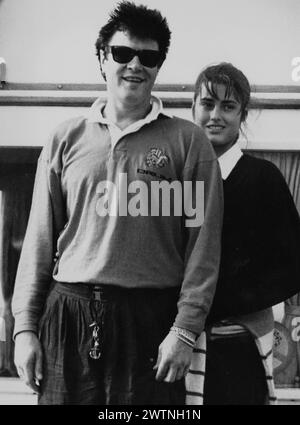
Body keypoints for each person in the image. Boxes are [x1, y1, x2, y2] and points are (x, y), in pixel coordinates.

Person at [12, 2, 223, 405]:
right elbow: (39, 241)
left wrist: (184, 331)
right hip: (68, 316)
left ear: (160, 65)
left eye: (149, 57)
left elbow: (204, 247)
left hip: (149, 323)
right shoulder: (64, 140)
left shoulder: (188, 143)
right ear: (102, 59)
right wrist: (24, 329)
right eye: (123, 53)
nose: (135, 66)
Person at [188, 62, 300, 405]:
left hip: (242, 343)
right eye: (207, 104)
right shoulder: (178, 178)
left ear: (243, 114)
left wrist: (224, 301)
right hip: (179, 344)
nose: (215, 115)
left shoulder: (264, 178)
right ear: (192, 107)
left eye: (228, 106)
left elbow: (293, 266)